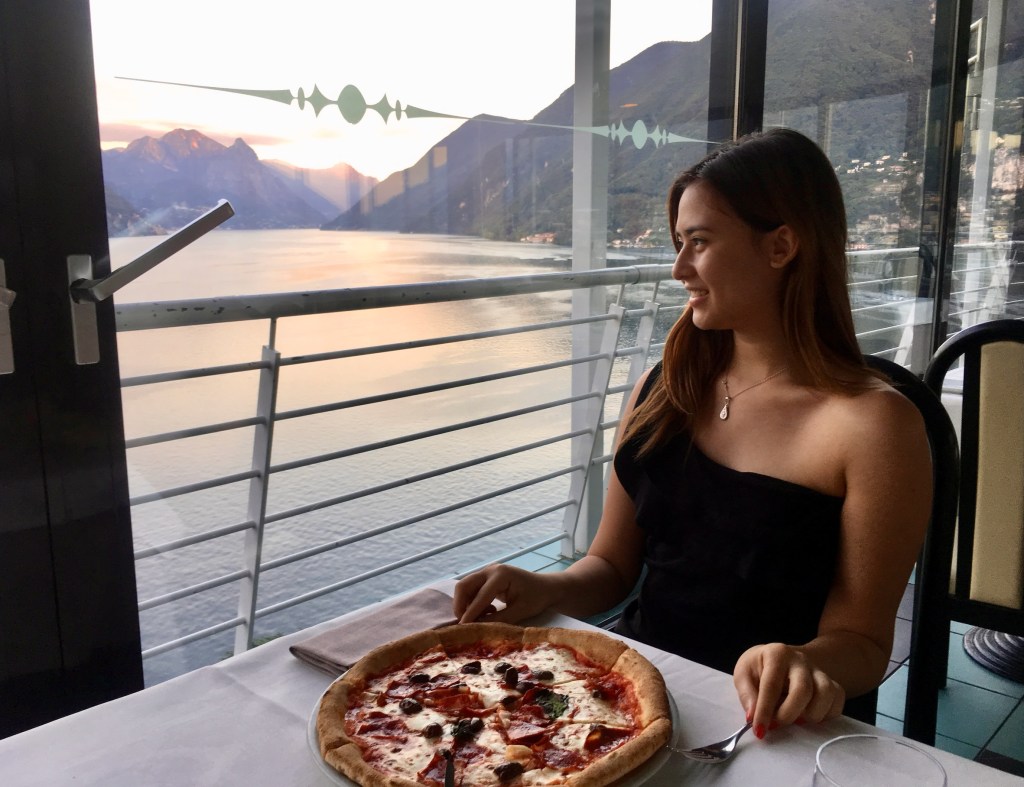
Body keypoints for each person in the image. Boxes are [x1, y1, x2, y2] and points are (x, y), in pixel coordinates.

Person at [453, 127, 933, 739]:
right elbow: (609, 566)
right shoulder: (663, 389)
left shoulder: (875, 427)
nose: (679, 268)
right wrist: (540, 586)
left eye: (699, 242)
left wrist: (805, 661)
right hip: (633, 696)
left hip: (767, 725)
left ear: (781, 245)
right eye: (679, 243)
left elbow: (862, 643)